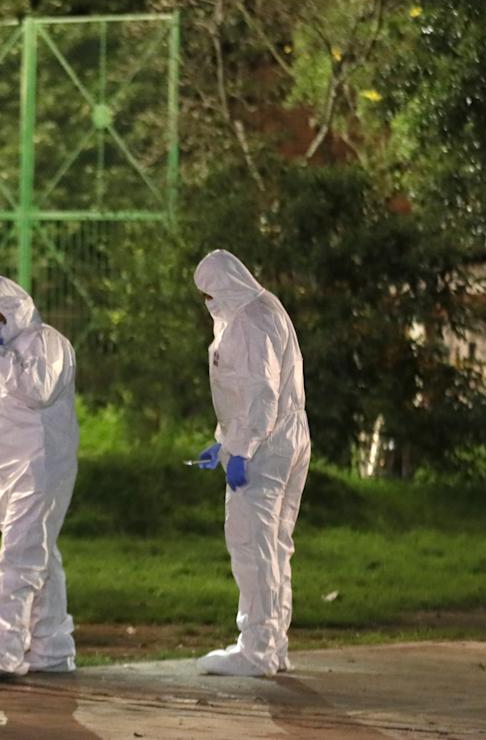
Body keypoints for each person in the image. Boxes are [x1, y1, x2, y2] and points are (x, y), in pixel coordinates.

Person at [191, 249, 310, 677]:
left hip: (265, 447)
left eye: (208, 294)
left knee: (251, 545)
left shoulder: (248, 321)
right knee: (274, 546)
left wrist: (241, 449)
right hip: (287, 438)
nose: (207, 303)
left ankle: (256, 650)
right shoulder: (267, 308)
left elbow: (261, 392)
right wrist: (223, 441)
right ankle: (273, 645)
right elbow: (250, 392)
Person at [0, 275, 80, 676]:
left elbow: (37, 391)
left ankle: (4, 650)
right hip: (9, 472)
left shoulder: (46, 343)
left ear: (12, 310)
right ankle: (52, 647)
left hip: (41, 465)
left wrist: (0, 357)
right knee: (40, 556)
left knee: (19, 556)